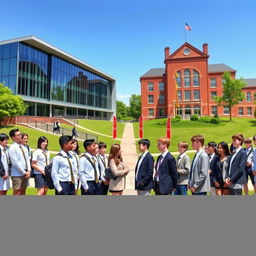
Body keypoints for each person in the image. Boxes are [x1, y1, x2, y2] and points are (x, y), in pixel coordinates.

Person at [9, 129, 31, 195]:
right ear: (13, 137)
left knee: (23, 191)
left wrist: (29, 171)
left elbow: (27, 160)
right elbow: (15, 163)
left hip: (26, 173)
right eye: (18, 135)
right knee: (17, 192)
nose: (20, 136)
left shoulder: (24, 147)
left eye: (20, 134)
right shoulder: (12, 148)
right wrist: (24, 172)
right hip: (17, 174)